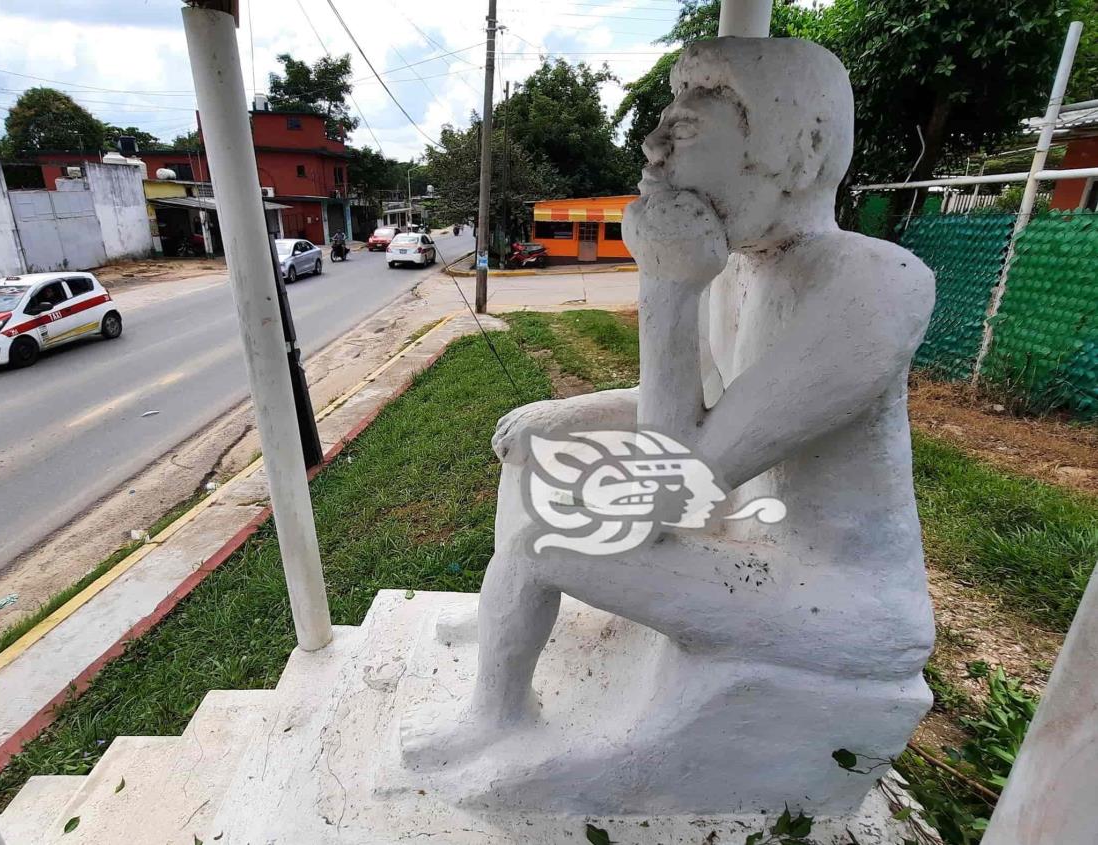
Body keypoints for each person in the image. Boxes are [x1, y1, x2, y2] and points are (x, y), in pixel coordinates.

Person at [400, 36, 937, 814]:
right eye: (661, 121)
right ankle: (501, 634)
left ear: (800, 150)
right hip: (750, 521)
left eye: (687, 128)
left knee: (543, 543)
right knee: (538, 452)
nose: (652, 150)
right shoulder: (745, 266)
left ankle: (497, 716)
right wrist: (570, 413)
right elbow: (695, 402)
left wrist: (667, 285)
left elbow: (671, 487)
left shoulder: (873, 286)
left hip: (839, 597)